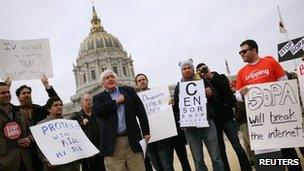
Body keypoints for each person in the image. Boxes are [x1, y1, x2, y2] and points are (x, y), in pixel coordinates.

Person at [235, 39, 287, 171]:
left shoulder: (271, 62)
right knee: (263, 150)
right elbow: (237, 96)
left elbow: (284, 83)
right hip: (258, 119)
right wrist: (242, 94)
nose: (242, 54)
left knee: (286, 150)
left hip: (278, 115)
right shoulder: (241, 72)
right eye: (240, 52)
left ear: (254, 50)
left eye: (244, 51)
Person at [196, 63, 251, 171]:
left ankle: (246, 168)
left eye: (204, 69)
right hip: (214, 120)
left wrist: (210, 77)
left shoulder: (219, 77)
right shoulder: (199, 84)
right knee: (220, 149)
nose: (203, 71)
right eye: (200, 71)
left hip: (226, 117)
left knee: (237, 146)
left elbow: (224, 87)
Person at [93, 70, 150, 171]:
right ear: (102, 83)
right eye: (107, 78)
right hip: (112, 144)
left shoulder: (129, 91)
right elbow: (98, 111)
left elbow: (140, 111)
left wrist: (146, 132)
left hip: (132, 139)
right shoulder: (98, 97)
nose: (110, 79)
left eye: (112, 76)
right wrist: (116, 102)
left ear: (116, 79)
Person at [173, 59, 224, 171]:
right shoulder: (178, 87)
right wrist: (181, 120)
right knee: (198, 160)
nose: (187, 70)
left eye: (189, 67)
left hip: (207, 123)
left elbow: (216, 99)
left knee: (216, 157)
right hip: (190, 127)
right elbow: (176, 109)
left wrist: (211, 94)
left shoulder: (203, 82)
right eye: (184, 68)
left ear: (193, 69)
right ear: (181, 71)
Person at [14, 75, 59, 171]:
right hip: (24, 153)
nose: (27, 94)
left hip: (42, 152)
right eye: (23, 93)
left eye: (28, 92)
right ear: (18, 97)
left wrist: (47, 86)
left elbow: (55, 101)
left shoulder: (39, 109)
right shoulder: (14, 112)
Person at [135, 73, 174, 171]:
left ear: (147, 81)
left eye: (143, 79)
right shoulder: (134, 99)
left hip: (161, 137)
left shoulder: (159, 95)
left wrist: (170, 105)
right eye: (139, 81)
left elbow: (165, 110)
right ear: (136, 84)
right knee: (157, 167)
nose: (142, 81)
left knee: (167, 166)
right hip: (147, 139)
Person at [38, 96, 79, 171]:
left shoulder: (69, 123)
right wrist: (45, 159)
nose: (59, 107)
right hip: (55, 167)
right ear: (49, 109)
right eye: (56, 105)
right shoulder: (41, 126)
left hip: (73, 166)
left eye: (60, 105)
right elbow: (40, 147)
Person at [0, 82, 33, 171]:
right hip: (6, 164)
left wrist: (29, 139)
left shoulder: (21, 112)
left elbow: (30, 132)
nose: (7, 95)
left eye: (8, 92)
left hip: (26, 162)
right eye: (3, 93)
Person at [70, 94, 106, 171]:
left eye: (90, 100)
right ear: (81, 103)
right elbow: (70, 130)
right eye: (86, 100)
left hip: (100, 149)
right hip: (88, 153)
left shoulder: (97, 113)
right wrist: (81, 123)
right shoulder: (76, 117)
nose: (89, 102)